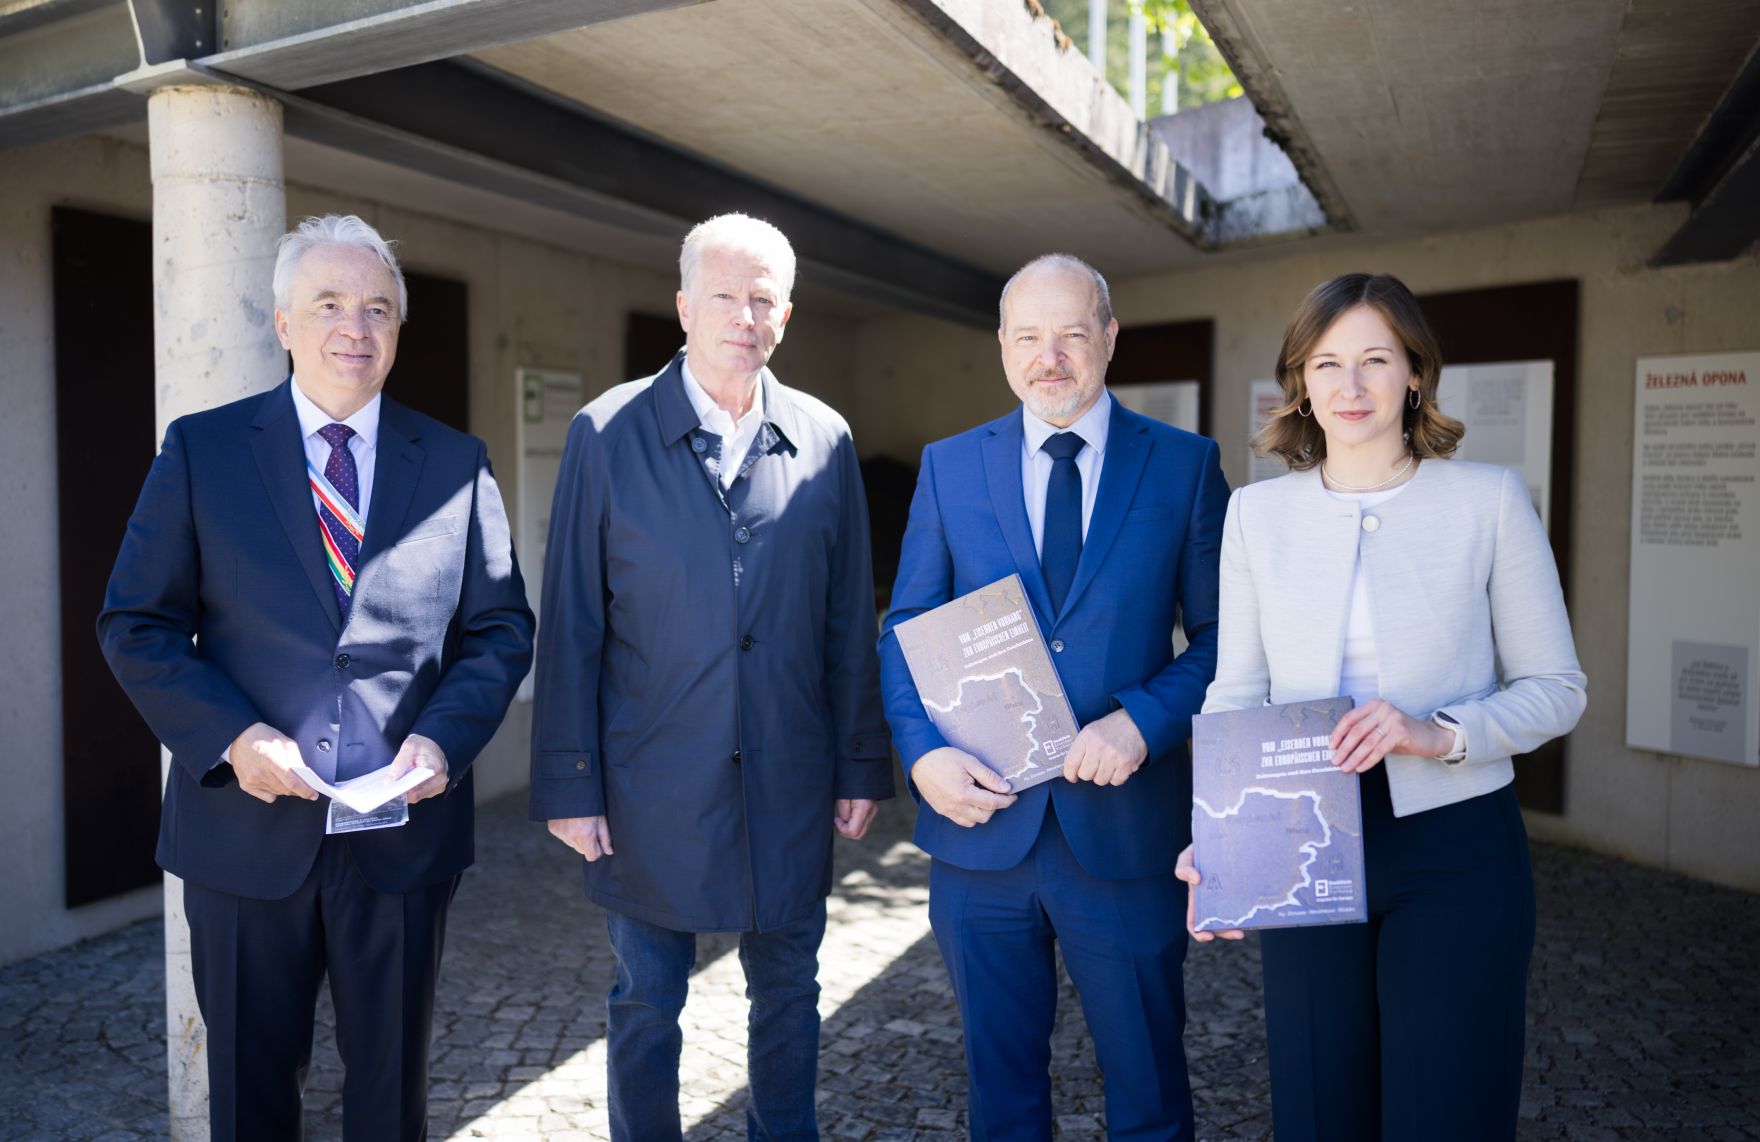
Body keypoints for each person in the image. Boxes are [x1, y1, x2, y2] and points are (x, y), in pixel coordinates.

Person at [98, 214, 535, 1141]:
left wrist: (442, 743)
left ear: (398, 329)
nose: (356, 327)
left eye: (378, 307)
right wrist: (232, 738)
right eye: (329, 304)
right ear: (283, 323)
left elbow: (498, 630)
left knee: (392, 1100)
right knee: (251, 1103)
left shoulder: (456, 463)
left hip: (401, 836)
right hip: (244, 833)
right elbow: (137, 624)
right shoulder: (203, 452)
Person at [1178, 272, 1587, 1141]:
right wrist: (1217, 834)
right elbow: (1237, 691)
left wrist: (1436, 733)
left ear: (1415, 374)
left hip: (1457, 848)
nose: (1350, 386)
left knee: (1447, 1110)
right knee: (1320, 1108)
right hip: (1302, 842)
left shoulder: (1489, 500)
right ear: (1301, 382)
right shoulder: (1256, 515)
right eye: (1326, 363)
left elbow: (1557, 689)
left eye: (1374, 359)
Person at [531, 213, 893, 1142]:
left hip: (789, 778)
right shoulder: (605, 433)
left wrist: (860, 764)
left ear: (787, 313)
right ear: (684, 305)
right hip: (649, 781)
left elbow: (851, 619)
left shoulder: (826, 438)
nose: (745, 315)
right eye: (725, 295)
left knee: (790, 996)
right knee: (647, 1002)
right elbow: (570, 620)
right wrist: (571, 783)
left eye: (763, 298)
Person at [879, 253, 1228, 1139]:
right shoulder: (951, 466)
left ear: (1109, 339)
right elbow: (906, 626)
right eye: (1029, 337)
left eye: (1072, 333)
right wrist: (921, 755)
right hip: (981, 828)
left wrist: (1146, 721)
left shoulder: (1184, 467)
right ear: (1002, 347)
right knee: (1002, 1092)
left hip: (1126, 831)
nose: (1051, 357)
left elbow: (1230, 639)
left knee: (1150, 1090)